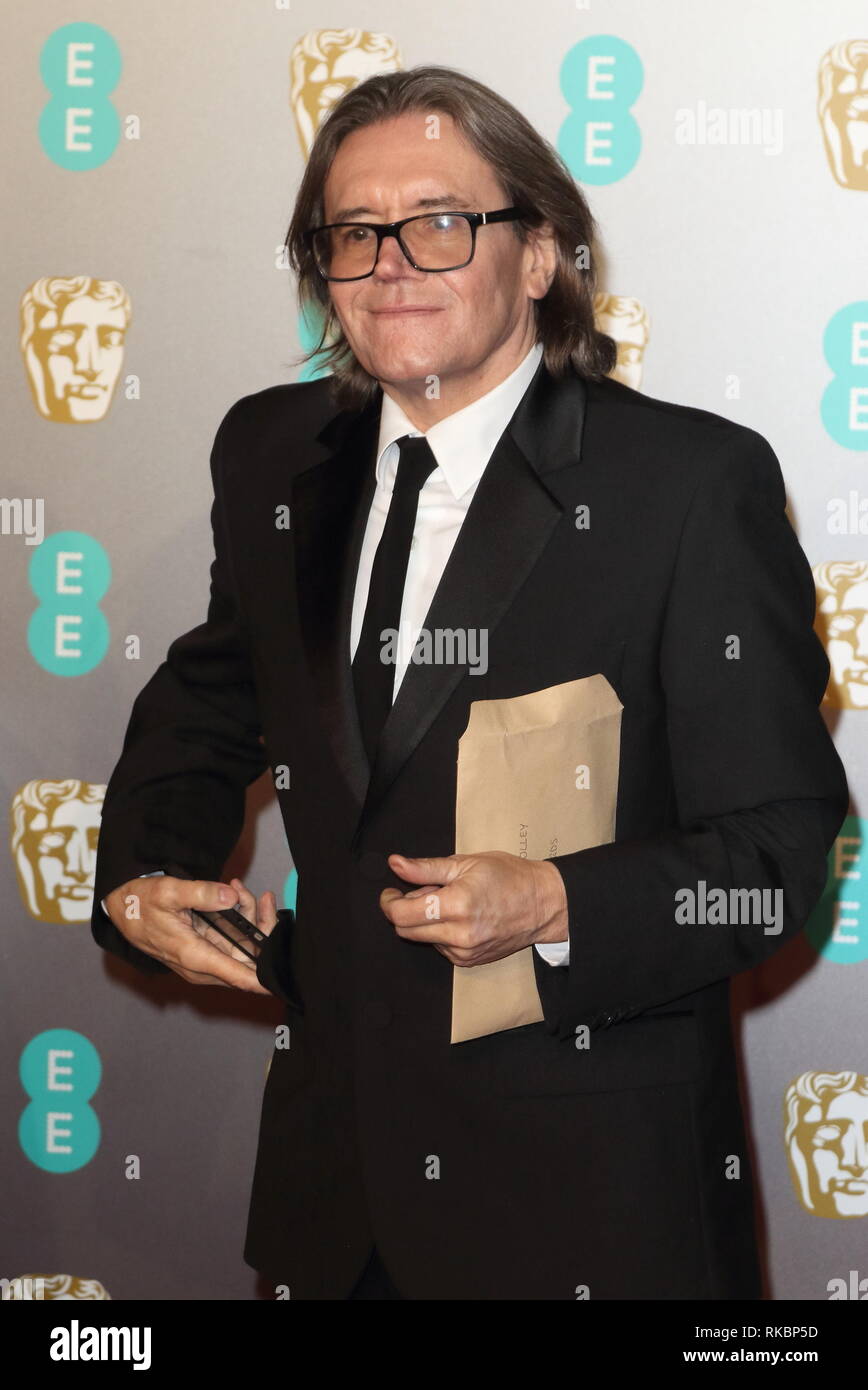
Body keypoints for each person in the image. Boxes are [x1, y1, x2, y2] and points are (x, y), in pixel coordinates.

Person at [92, 66, 849, 1300]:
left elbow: (778, 849)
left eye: (441, 222)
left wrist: (556, 903)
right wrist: (140, 867)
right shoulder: (270, 451)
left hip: (589, 1210)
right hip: (334, 1205)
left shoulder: (684, 486)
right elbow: (217, 690)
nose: (392, 261)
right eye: (354, 232)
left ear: (540, 253)